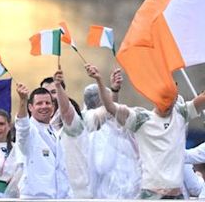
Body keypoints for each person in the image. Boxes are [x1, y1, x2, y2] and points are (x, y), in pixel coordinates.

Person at [86, 63, 205, 199]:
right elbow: (111, 107)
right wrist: (102, 82)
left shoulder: (181, 114)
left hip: (176, 195)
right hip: (151, 195)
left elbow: (201, 100)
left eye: (172, 97)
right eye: (165, 97)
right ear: (155, 98)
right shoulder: (141, 120)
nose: (169, 103)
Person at [82, 68, 141, 199]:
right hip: (105, 194)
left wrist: (114, 90)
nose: (112, 104)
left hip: (122, 193)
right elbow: (102, 165)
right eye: (107, 99)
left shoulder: (112, 123)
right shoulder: (91, 123)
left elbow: (111, 111)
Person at [15, 83, 71, 199]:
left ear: (53, 106)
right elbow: (22, 126)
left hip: (58, 197)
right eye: (39, 103)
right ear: (30, 107)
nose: (44, 106)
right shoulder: (30, 131)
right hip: (34, 198)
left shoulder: (54, 132)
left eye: (47, 103)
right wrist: (22, 100)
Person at [52, 69, 92, 198]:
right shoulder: (52, 132)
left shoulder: (74, 129)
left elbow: (66, 111)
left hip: (78, 194)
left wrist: (58, 86)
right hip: (58, 193)